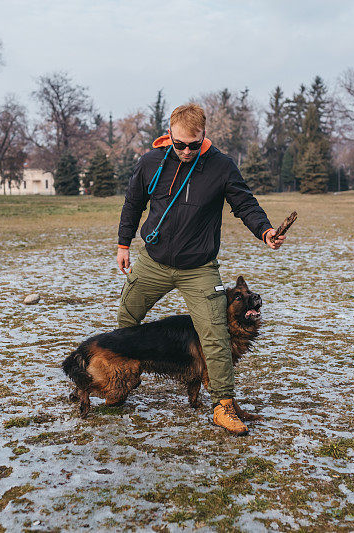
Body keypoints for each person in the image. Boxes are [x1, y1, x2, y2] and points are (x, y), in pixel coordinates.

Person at [116, 103, 285, 435]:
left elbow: (245, 203)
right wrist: (124, 244)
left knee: (216, 336)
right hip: (153, 262)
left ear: (204, 135)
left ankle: (222, 406)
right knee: (126, 319)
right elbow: (133, 202)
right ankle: (126, 374)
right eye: (180, 145)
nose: (187, 151)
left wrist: (265, 230)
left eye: (195, 144)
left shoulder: (221, 166)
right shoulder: (150, 162)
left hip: (200, 268)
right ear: (169, 135)